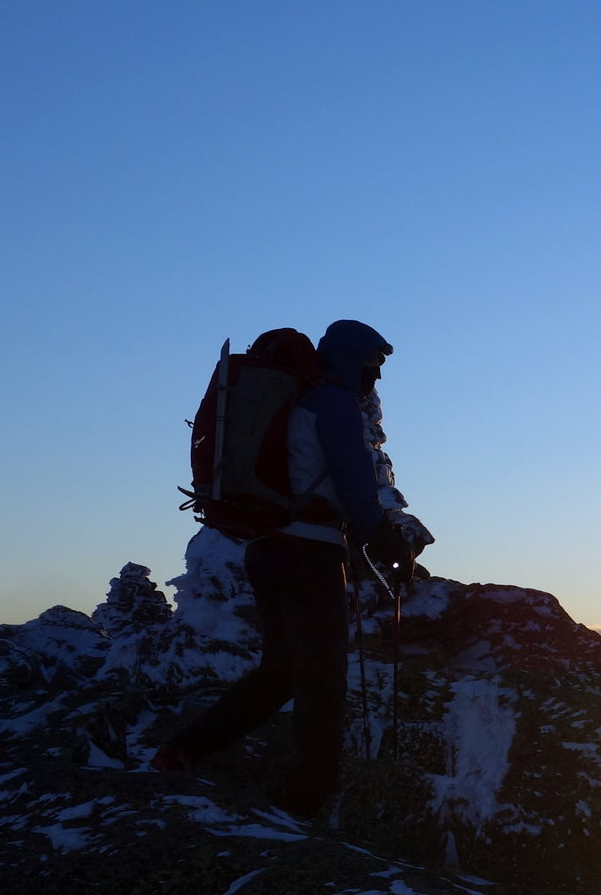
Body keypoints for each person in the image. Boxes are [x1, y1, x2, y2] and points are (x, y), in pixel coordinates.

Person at [153, 318, 434, 815]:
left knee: (281, 672)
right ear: (351, 358)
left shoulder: (293, 402)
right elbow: (353, 482)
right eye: (373, 363)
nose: (377, 377)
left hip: (267, 550)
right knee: (323, 683)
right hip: (310, 555)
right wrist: (386, 541)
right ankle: (308, 803)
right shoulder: (331, 402)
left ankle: (184, 751)